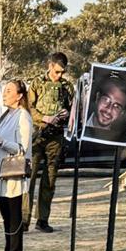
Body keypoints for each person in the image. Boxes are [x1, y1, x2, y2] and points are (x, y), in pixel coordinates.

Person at [0, 80, 34, 251]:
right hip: (1, 174)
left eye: (9, 91)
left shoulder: (23, 116)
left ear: (19, 96)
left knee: (14, 217)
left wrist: (0, 141)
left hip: (13, 174)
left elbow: (22, 148)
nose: (5, 94)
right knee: (6, 216)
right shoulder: (7, 115)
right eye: (4, 91)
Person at [27, 51, 73, 232]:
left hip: (56, 137)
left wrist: (68, 113)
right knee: (29, 178)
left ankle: (42, 220)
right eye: (57, 71)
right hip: (37, 135)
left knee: (50, 180)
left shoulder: (67, 86)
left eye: (62, 72)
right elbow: (29, 107)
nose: (59, 75)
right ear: (50, 66)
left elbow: (73, 109)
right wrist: (44, 118)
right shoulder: (37, 83)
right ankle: (23, 220)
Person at [84, 71, 126, 143]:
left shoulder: (119, 140)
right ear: (97, 98)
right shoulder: (79, 125)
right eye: (106, 100)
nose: (109, 110)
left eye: (117, 106)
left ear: (122, 113)